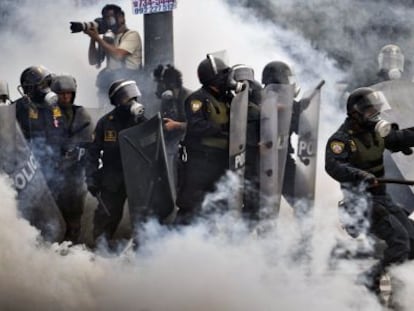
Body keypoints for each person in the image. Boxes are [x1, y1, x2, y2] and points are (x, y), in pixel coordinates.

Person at [325, 87, 414, 301]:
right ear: (356, 113)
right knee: (400, 242)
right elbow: (334, 166)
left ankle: (398, 289)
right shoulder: (342, 140)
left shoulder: (375, 132)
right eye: (370, 112)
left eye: (377, 110)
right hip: (359, 203)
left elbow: (397, 139)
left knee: (413, 240)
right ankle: (369, 278)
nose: (375, 116)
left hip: (382, 198)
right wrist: (359, 175)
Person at [85, 79, 146, 248]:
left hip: (137, 178)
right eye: (127, 98)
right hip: (113, 178)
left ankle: (144, 256)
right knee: (107, 217)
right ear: (117, 101)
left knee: (143, 219)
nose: (132, 102)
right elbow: (92, 153)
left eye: (134, 97)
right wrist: (91, 178)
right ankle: (100, 253)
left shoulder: (142, 121)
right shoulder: (106, 123)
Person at [175, 55, 233, 224]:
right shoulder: (197, 99)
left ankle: (205, 245)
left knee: (217, 206)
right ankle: (171, 243)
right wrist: (222, 129)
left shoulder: (227, 98)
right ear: (214, 79)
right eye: (224, 74)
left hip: (222, 161)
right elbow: (196, 125)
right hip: (201, 162)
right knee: (191, 206)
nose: (228, 78)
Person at [50, 74, 94, 244]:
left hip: (75, 171)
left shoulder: (80, 113)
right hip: (54, 171)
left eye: (69, 93)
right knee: (55, 212)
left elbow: (87, 140)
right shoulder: (48, 113)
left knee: (75, 213)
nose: (66, 97)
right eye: (62, 94)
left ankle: (72, 246)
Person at [15, 65, 65, 191]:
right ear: (30, 90)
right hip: (31, 169)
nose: (48, 89)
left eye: (48, 83)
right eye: (43, 85)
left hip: (58, 166)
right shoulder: (19, 107)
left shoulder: (58, 106)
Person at [84, 4, 142, 99]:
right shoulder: (108, 38)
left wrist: (98, 39)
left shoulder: (132, 35)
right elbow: (93, 60)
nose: (109, 21)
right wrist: (93, 38)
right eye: (106, 18)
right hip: (110, 82)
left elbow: (118, 55)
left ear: (121, 17)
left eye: (111, 17)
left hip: (128, 83)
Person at [153, 64, 190, 189]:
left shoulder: (189, 98)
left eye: (159, 83)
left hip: (187, 150)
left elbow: (198, 126)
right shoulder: (166, 100)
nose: (157, 87)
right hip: (170, 147)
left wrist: (176, 125)